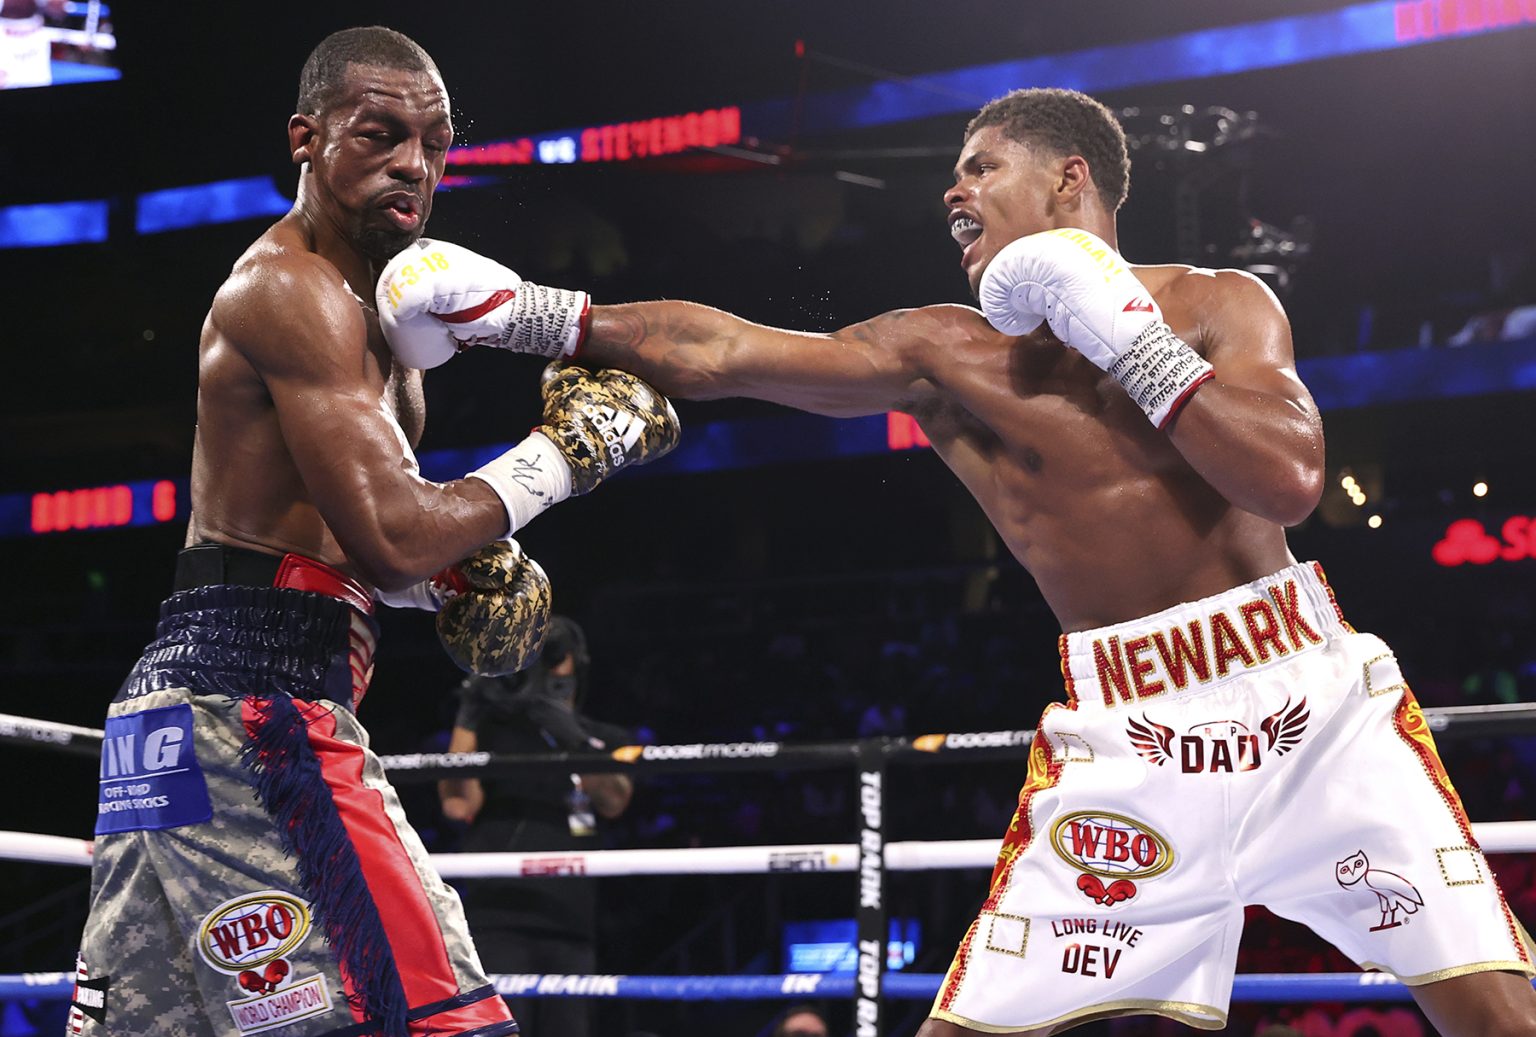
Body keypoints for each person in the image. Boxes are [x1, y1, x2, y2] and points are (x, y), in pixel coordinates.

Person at [377, 87, 1536, 1036]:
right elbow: (724, 349)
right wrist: (526, 313)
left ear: (1069, 181)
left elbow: (1286, 480)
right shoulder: (945, 349)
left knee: (1494, 1008)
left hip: (1307, 704)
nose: (954, 188)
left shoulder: (1217, 304)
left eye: (983, 166)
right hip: (1130, 737)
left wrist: (1119, 331)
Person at [70, 26, 677, 1037]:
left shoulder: (383, 324)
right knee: (446, 1023)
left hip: (184, 714)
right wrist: (563, 455)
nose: (415, 164)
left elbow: (356, 549)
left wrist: (454, 577)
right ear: (306, 138)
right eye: (381, 134)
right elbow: (395, 536)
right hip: (252, 705)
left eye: (433, 143)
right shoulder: (293, 289)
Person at [438, 616, 633, 1037]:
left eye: (553, 657)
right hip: (497, 914)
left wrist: (573, 739)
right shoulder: (495, 732)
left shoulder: (607, 737)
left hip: (571, 917)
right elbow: (457, 805)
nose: (544, 668)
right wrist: (468, 715)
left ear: (576, 665)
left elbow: (614, 800)